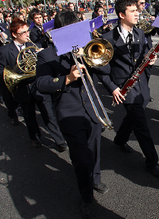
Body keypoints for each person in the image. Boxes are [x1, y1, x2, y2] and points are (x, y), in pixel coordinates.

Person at [36, 11, 108, 218]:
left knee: (94, 149)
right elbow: (41, 85)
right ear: (60, 32)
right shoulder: (46, 55)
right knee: (80, 157)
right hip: (69, 112)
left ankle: (95, 178)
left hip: (91, 108)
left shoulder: (87, 48)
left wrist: (95, 55)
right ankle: (86, 196)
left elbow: (106, 70)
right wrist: (66, 78)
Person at [100, 0, 159, 179]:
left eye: (137, 9)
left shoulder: (140, 33)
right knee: (141, 126)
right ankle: (152, 161)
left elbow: (144, 57)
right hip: (124, 88)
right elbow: (102, 70)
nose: (138, 13)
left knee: (135, 115)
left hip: (141, 85)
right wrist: (113, 89)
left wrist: (150, 60)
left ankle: (120, 139)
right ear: (121, 15)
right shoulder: (107, 39)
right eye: (132, 11)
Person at [0, 18, 67, 151]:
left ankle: (59, 140)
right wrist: (18, 71)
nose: (27, 34)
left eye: (28, 31)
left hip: (38, 86)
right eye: (23, 32)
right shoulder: (5, 50)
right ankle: (35, 137)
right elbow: (1, 71)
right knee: (29, 117)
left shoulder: (34, 46)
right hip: (22, 89)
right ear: (14, 34)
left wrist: (41, 57)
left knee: (49, 114)